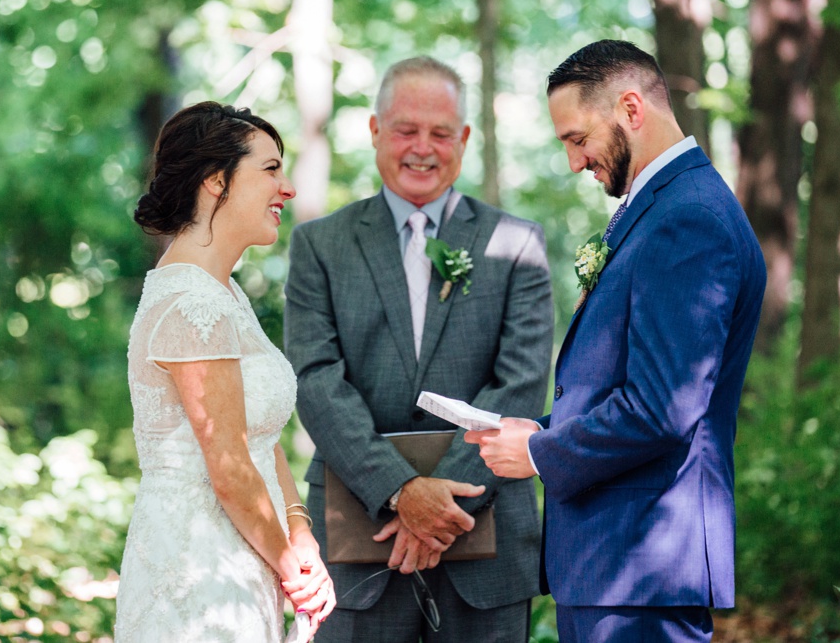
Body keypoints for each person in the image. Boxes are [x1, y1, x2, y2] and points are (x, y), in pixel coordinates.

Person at [465, 40, 766, 643]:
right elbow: (624, 387)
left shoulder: (689, 218)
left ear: (631, 108)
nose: (575, 162)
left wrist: (541, 453)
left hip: (642, 564)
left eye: (578, 139)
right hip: (615, 565)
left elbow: (662, 407)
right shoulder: (661, 208)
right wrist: (539, 431)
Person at [284, 57, 554, 642]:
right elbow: (315, 380)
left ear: (463, 139)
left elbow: (522, 384)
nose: (422, 149)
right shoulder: (319, 245)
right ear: (376, 130)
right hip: (357, 539)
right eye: (406, 130)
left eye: (440, 133)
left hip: (486, 539)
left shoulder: (517, 243)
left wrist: (441, 503)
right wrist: (400, 491)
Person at [115, 101, 335, 642]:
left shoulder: (224, 293)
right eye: (270, 169)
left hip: (246, 553)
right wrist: (294, 571)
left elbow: (261, 440)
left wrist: (300, 531)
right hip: (199, 568)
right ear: (216, 181)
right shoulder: (190, 302)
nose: (287, 188)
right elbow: (230, 467)